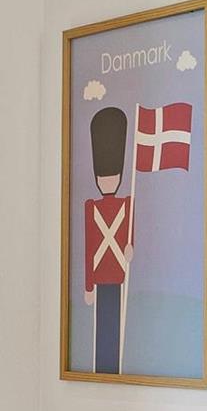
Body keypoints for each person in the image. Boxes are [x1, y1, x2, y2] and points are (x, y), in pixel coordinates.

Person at [80, 103, 133, 374]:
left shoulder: (128, 205)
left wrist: (130, 249)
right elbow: (89, 249)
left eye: (112, 177)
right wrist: (88, 286)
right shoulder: (91, 208)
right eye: (104, 177)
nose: (108, 181)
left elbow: (129, 240)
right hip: (101, 275)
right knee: (103, 325)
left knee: (114, 323)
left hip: (118, 274)